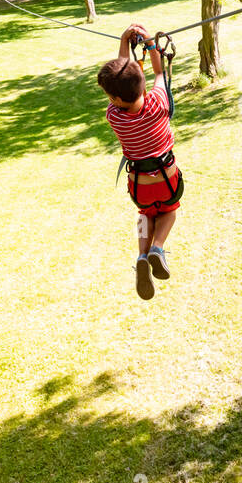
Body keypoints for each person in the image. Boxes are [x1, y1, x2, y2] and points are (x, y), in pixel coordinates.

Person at [98, 24, 183, 299]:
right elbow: (158, 72)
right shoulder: (159, 103)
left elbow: (124, 78)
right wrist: (150, 43)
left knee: (145, 214)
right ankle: (157, 248)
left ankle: (141, 257)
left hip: (139, 184)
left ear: (114, 99)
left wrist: (125, 41)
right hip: (166, 177)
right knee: (168, 211)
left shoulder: (114, 116)